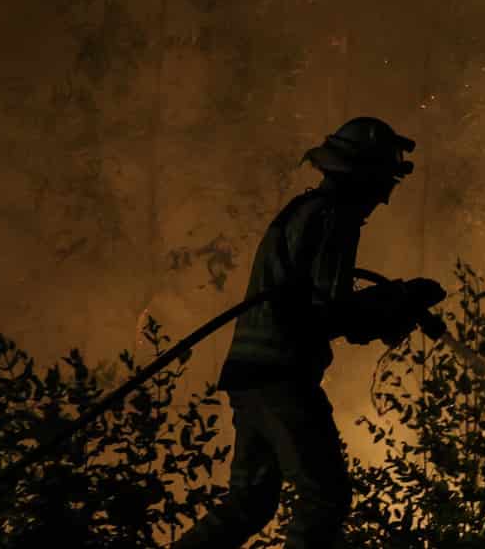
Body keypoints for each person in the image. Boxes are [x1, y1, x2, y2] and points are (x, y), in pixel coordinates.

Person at [174, 116, 444, 549]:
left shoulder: (304, 212)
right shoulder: (334, 218)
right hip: (281, 377)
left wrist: (389, 307)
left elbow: (318, 303)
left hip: (248, 374)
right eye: (385, 182)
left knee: (251, 501)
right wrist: (399, 300)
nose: (385, 197)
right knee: (325, 498)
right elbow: (331, 313)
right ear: (363, 174)